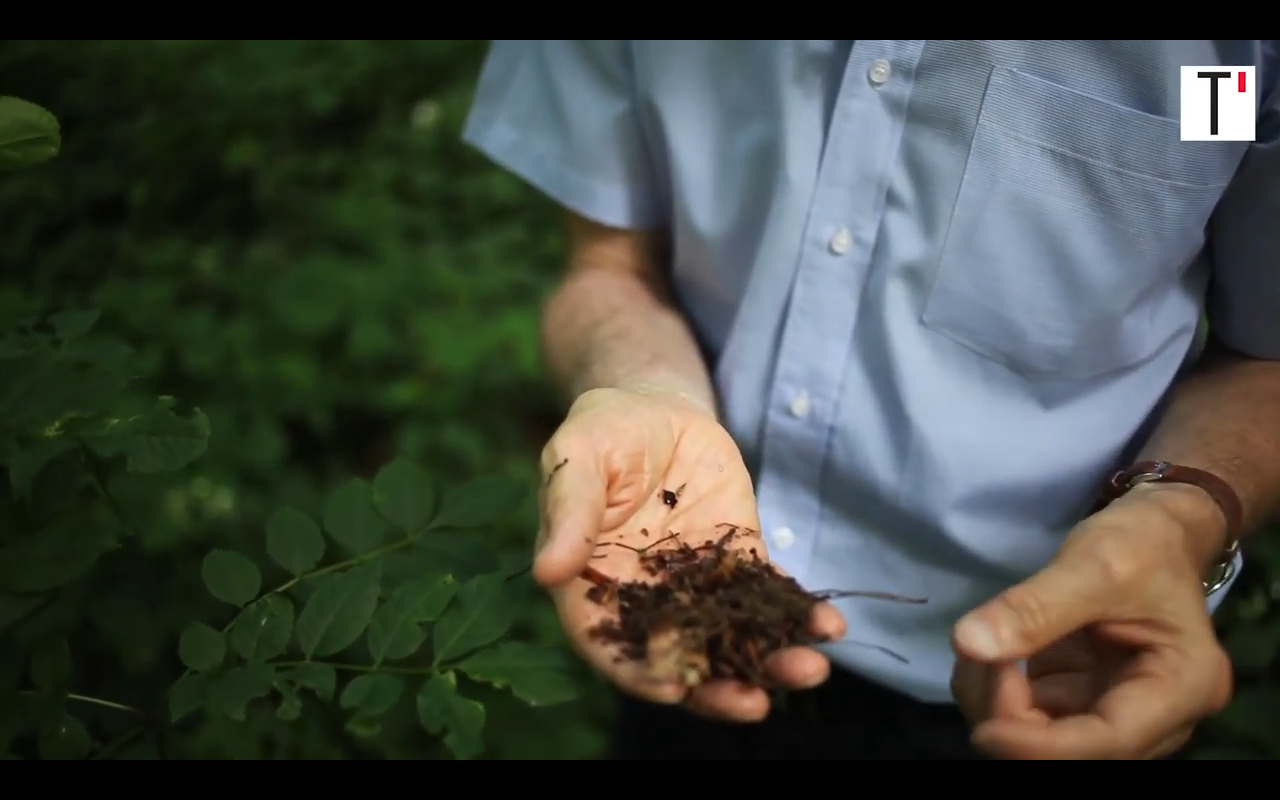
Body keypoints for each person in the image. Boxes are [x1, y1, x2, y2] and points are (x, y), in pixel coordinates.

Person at [462, 41, 1280, 760]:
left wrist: (1180, 517)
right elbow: (612, 266)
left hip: (1053, 669)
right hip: (689, 623)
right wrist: (642, 388)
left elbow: (1266, 352)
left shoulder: (1223, 74)